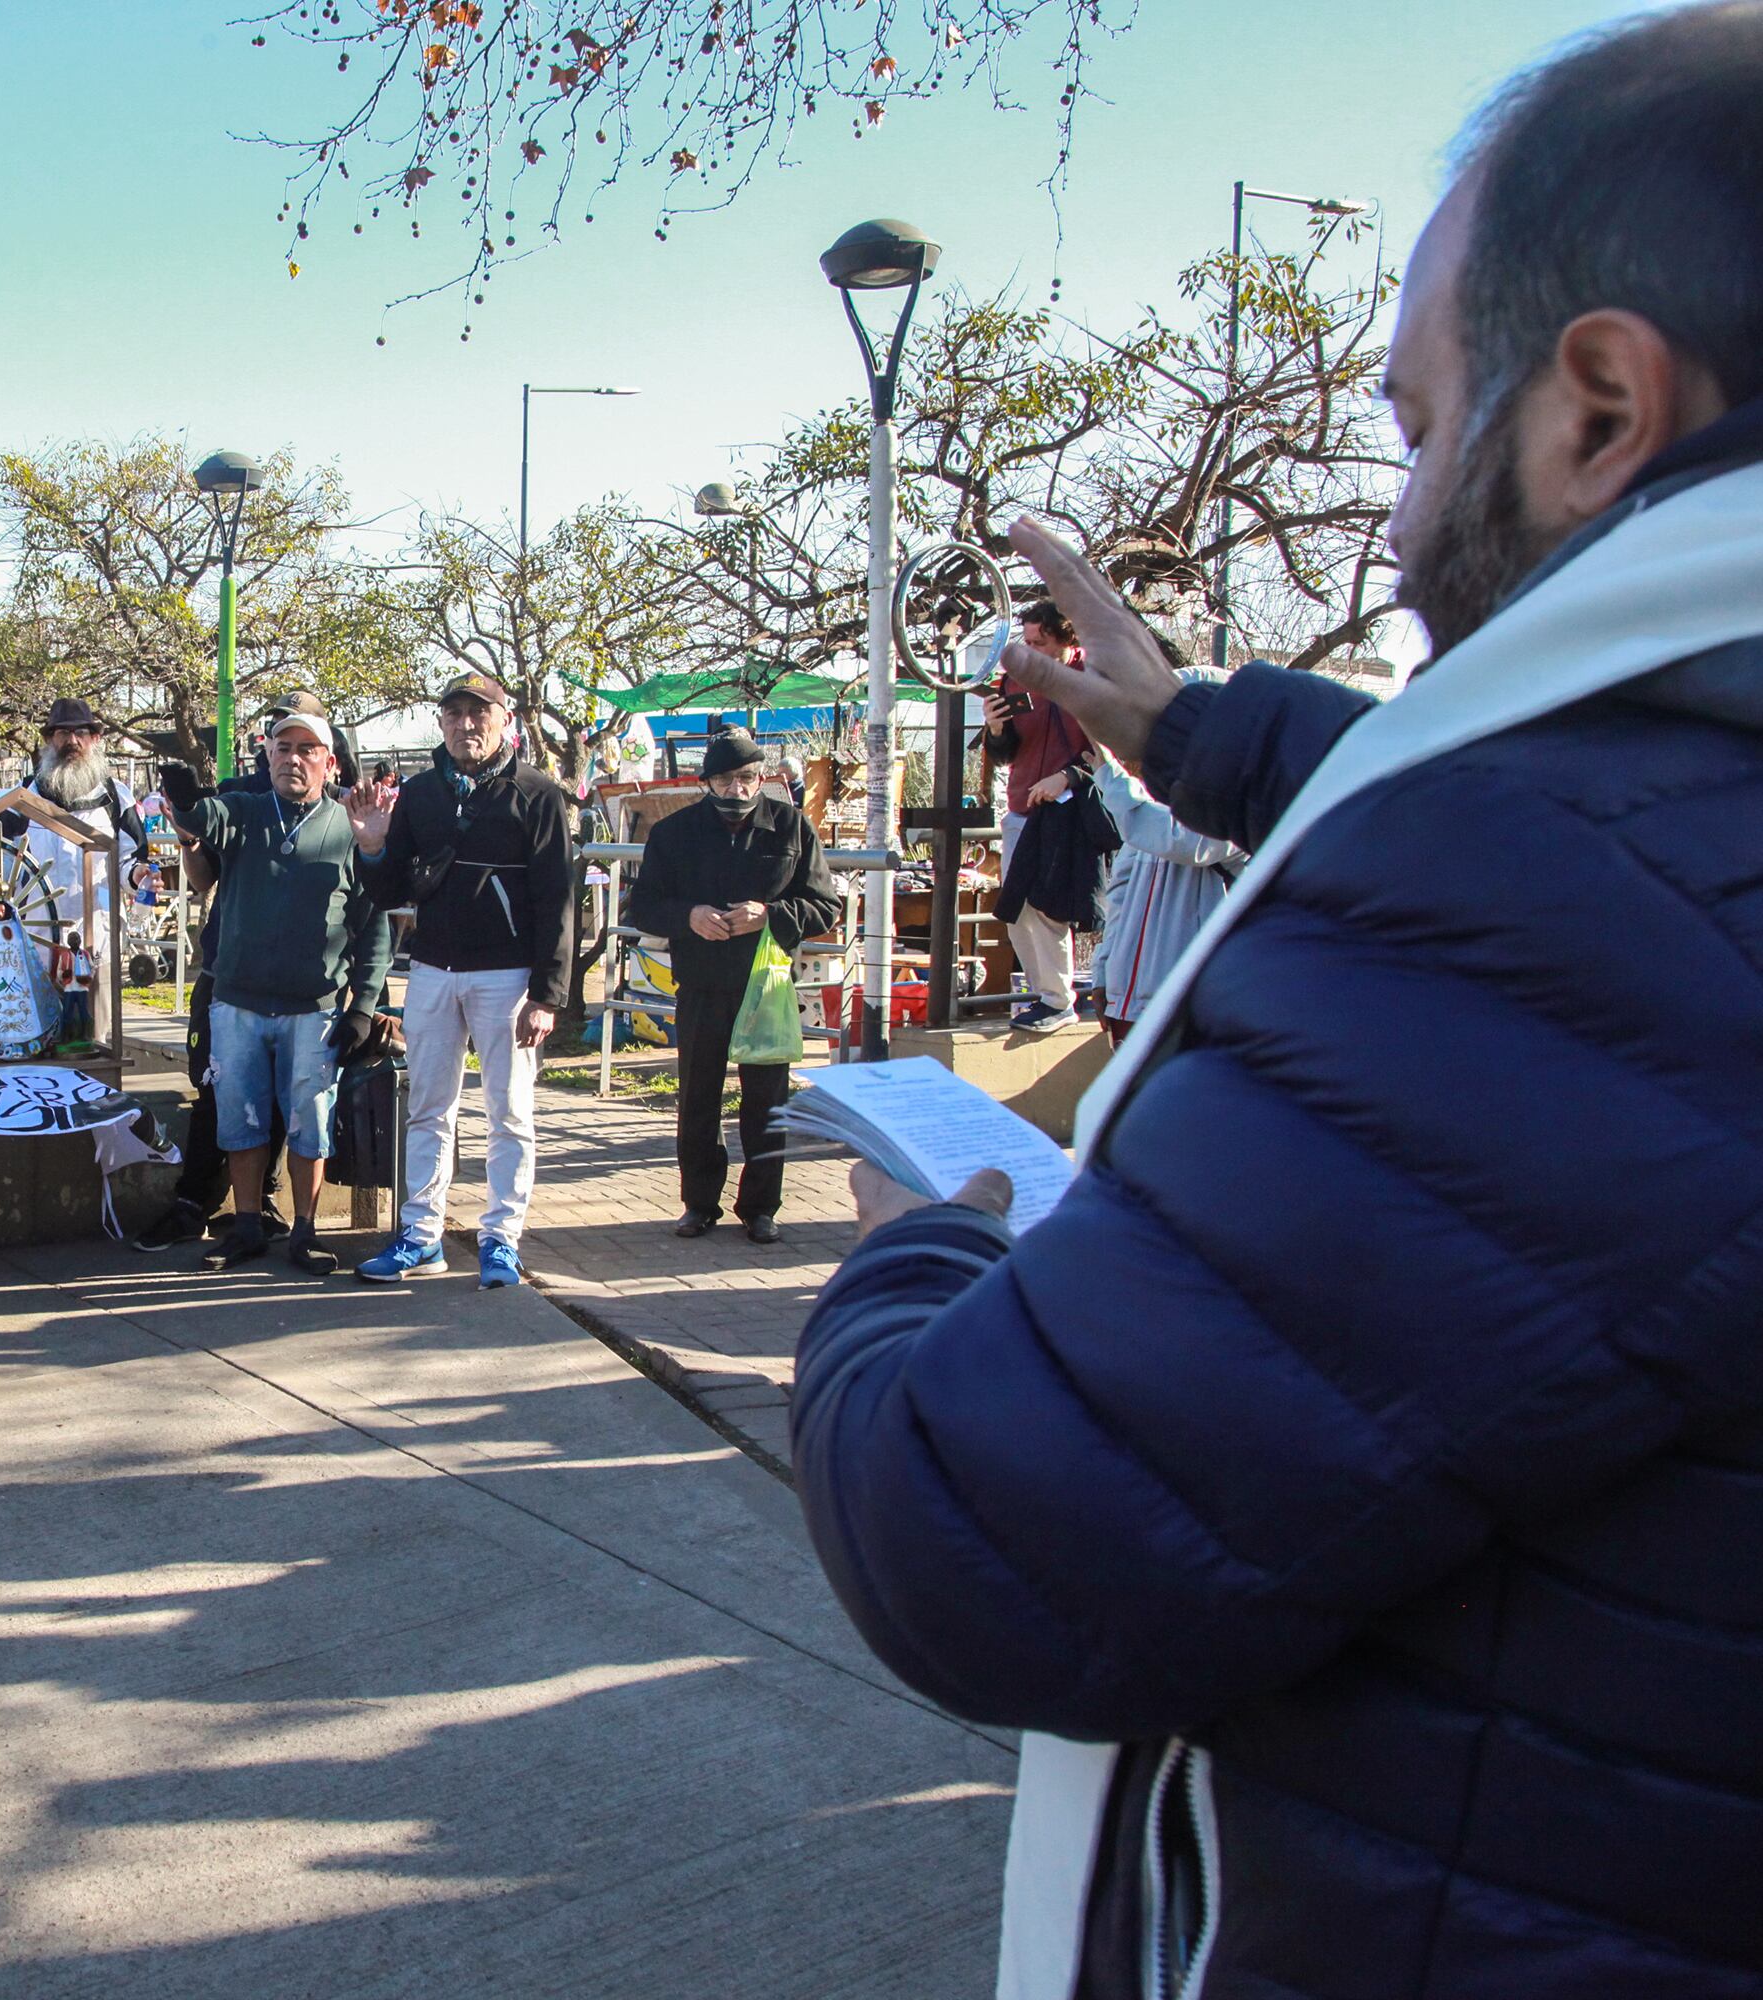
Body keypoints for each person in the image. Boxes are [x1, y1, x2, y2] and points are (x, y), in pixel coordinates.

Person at [792, 11, 1763, 1991]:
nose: (1399, 536)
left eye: (1417, 432)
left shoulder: (1555, 905)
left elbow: (996, 1537)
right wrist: (1216, 732)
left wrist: (911, 1271)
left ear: (1596, 406)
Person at [343, 671, 575, 1289]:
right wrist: (370, 846)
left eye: (480, 714)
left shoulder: (539, 794)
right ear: (440, 721)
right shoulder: (420, 794)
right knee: (427, 1109)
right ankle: (421, 1236)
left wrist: (548, 994)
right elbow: (391, 888)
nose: (467, 725)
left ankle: (501, 1238)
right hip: (433, 970)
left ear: (506, 722)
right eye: (455, 714)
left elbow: (557, 902)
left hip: (509, 975)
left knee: (510, 1113)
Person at [164, 707, 390, 1277]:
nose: (294, 759)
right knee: (240, 1120)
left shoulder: (349, 826)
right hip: (236, 1002)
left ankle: (304, 1233)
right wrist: (186, 804)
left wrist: (363, 1007)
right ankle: (244, 1227)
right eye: (282, 748)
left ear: (329, 762)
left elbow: (376, 923)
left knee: (310, 1125)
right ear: (267, 756)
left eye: (307, 750)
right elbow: (202, 817)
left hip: (312, 1010)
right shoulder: (243, 809)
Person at [623, 730, 842, 1245]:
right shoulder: (675, 832)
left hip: (764, 985)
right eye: (725, 779)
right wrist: (689, 916)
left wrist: (770, 915)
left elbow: (824, 905)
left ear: (762, 778)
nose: (737, 789)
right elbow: (644, 906)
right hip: (700, 982)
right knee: (698, 1096)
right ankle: (699, 1203)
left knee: (766, 1101)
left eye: (746, 778)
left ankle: (761, 1207)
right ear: (707, 783)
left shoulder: (791, 826)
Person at [128, 701, 299, 1254]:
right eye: (275, 734)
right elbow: (203, 882)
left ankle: (263, 1203)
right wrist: (189, 836)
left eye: (298, 738)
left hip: (297, 983)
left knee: (280, 1095)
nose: (283, 748)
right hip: (226, 973)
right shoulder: (234, 797)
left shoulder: (330, 806)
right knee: (213, 1085)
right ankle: (191, 1204)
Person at [1084, 668, 1238, 1045]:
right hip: (1131, 1009)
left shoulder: (1243, 804)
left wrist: (1109, 775)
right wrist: (1105, 974)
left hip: (1194, 1012)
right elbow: (1120, 897)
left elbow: (1177, 839)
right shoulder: (1153, 802)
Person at [982, 601, 1096, 1029]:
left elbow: (1113, 753)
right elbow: (1005, 753)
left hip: (1072, 811)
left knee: (1050, 908)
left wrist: (1067, 777)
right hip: (1023, 806)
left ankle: (1058, 999)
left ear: (1068, 642)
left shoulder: (1092, 678)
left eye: (1041, 643)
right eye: (1026, 642)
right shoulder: (1013, 680)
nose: (1032, 651)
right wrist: (995, 730)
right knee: (1016, 907)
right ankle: (1048, 996)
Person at [13, 698, 155, 993]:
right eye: (63, 733)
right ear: (50, 739)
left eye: (80, 733)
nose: (72, 741)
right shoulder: (22, 799)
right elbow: (1, 862)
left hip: (96, 945)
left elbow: (128, 860)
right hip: (34, 946)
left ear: (95, 739)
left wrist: (138, 875)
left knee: (93, 1034)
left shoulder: (117, 798)